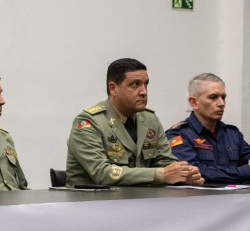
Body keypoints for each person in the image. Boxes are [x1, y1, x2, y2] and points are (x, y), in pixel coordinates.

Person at [65, 58, 203, 186]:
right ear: (113, 88)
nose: (144, 91)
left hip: (138, 202)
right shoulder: (89, 122)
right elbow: (103, 173)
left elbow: (165, 162)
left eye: (146, 84)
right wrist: (161, 175)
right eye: (135, 84)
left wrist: (183, 174)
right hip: (92, 205)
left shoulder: (149, 119)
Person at [166, 73, 250, 183]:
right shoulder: (178, 135)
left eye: (223, 97)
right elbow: (193, 172)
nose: (221, 103)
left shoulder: (232, 134)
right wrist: (246, 172)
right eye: (213, 97)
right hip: (199, 202)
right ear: (194, 103)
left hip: (235, 202)